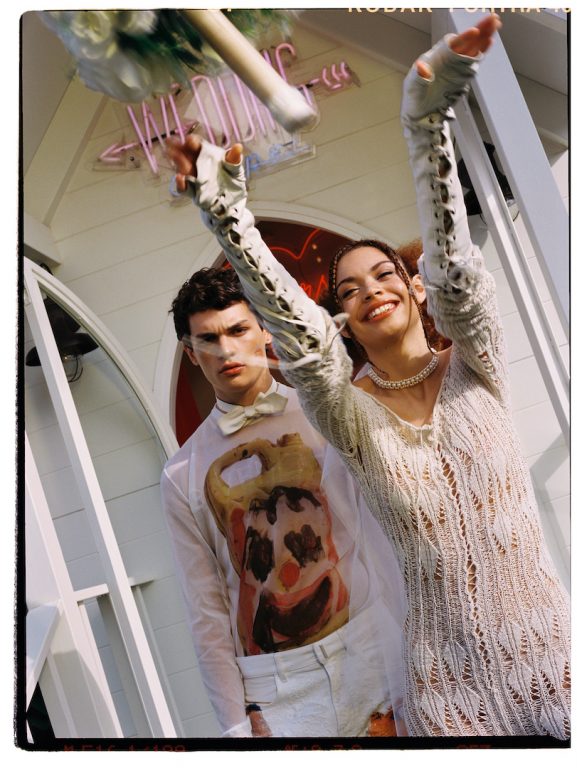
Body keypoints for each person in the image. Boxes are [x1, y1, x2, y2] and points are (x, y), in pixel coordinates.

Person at [167, 13, 570, 739]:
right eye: (347, 290)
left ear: (413, 289)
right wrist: (231, 221)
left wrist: (428, 127)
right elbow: (305, 349)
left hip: (555, 665)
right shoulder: (349, 416)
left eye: (383, 274)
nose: (369, 291)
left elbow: (460, 283)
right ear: (343, 322)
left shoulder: (476, 368)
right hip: (447, 699)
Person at [160, 266, 406, 738]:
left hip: (372, 649)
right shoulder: (180, 475)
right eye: (208, 339)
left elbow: (390, 531)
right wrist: (235, 726)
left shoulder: (328, 413)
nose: (226, 349)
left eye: (238, 330)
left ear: (264, 331)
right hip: (278, 692)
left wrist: (414, 643)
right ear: (191, 353)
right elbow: (206, 608)